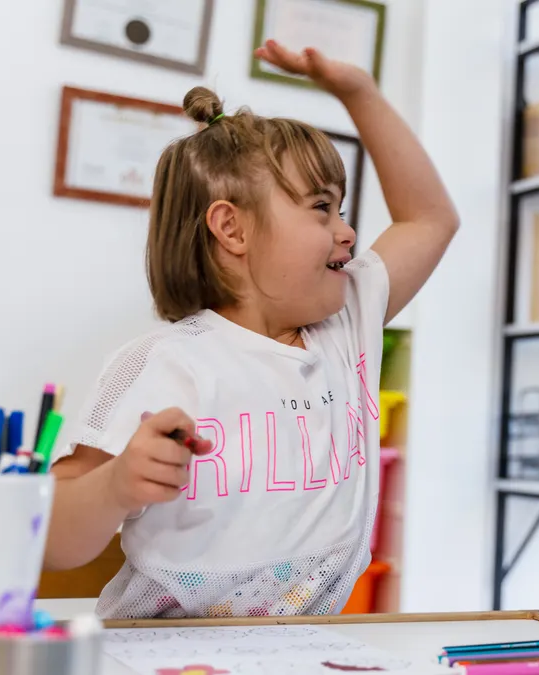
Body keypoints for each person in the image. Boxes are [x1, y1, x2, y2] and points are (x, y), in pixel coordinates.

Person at [40, 40, 458, 620]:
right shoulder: (165, 364)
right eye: (321, 207)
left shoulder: (347, 323)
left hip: (294, 651)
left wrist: (357, 93)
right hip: (160, 653)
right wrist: (114, 487)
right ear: (231, 229)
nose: (348, 233)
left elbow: (430, 217)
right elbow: (54, 541)